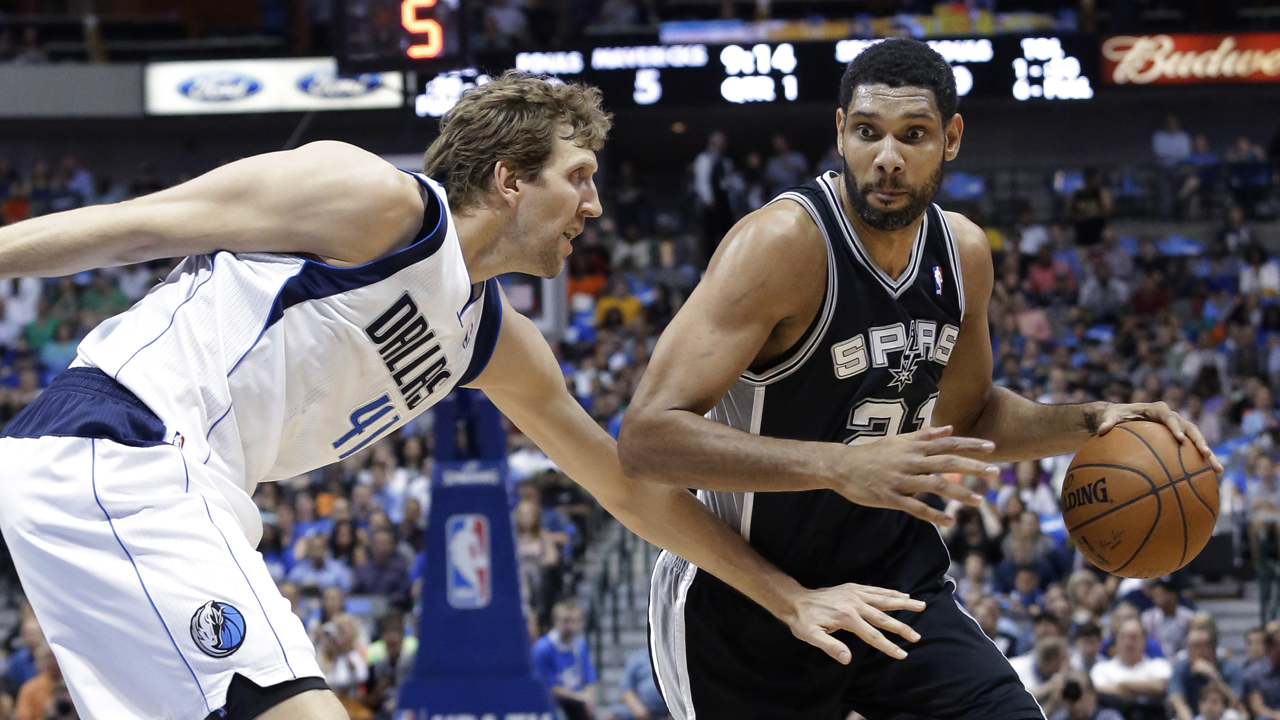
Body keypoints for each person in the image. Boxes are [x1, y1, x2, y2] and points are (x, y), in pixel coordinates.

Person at [0, 72, 917, 720]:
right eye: (579, 177)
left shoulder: (491, 338)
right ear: (510, 178)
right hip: (123, 445)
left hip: (160, 490)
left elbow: (624, 485)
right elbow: (131, 227)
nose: (596, 205)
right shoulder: (370, 199)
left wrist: (787, 597)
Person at [619, 38, 1219, 720]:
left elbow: (967, 422)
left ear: (951, 139)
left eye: (914, 135)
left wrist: (1091, 421)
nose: (888, 157)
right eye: (868, 132)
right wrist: (840, 467)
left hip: (895, 582)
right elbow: (645, 440)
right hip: (748, 596)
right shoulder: (781, 245)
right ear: (840, 131)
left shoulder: (964, 253)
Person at [532, 600, 596, 720]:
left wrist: (588, 698)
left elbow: (588, 680)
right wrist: (579, 697)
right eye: (566, 621)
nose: (571, 626)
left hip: (576, 704)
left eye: (575, 621)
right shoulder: (542, 649)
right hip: (551, 704)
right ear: (554, 621)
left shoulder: (580, 646)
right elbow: (546, 687)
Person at [1169, 626, 1245, 720]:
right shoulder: (1182, 667)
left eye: (1196, 646)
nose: (1189, 650)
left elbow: (1235, 703)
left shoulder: (1231, 668)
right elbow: (1178, 702)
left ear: (1210, 648)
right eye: (1189, 645)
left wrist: (1214, 676)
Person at [1091, 619, 1172, 702]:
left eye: (1133, 637)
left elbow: (1160, 686)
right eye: (1123, 637)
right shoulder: (1101, 668)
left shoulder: (1159, 665)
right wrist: (1145, 689)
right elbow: (1099, 691)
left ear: (1144, 641)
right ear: (1116, 641)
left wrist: (1122, 684)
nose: (1128, 643)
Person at [605, 647, 668, 720]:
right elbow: (625, 689)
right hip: (642, 708)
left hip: (668, 709)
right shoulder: (638, 658)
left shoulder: (674, 659)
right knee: (614, 715)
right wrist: (636, 707)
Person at [1141, 578, 1194, 658]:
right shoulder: (1147, 618)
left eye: (1160, 595)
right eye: (1155, 596)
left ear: (1173, 595)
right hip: (1155, 660)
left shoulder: (1189, 617)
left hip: (1182, 659)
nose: (1157, 599)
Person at [1048, 671, 1124, 720]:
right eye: (1069, 691)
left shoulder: (1108, 717)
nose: (1073, 695)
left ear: (1093, 696)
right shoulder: (1060, 717)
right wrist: (1051, 703)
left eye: (1077, 691)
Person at [1245, 626, 1280, 720]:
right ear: (1270, 647)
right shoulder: (1254, 672)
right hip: (1270, 716)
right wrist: (1276, 715)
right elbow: (1257, 707)